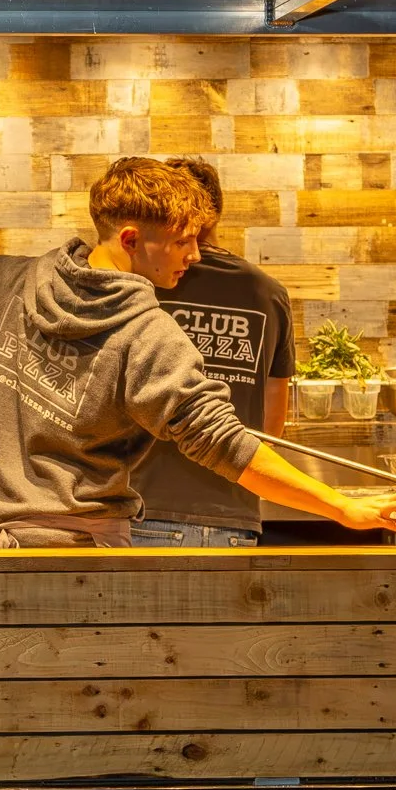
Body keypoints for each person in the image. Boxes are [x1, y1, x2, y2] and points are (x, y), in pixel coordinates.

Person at [0, 157, 396, 549]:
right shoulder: (148, 333)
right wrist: (340, 506)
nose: (195, 256)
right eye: (182, 242)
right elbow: (225, 442)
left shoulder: (8, 284)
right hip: (83, 556)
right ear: (131, 239)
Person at [127, 157, 295, 548]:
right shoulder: (268, 293)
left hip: (143, 508)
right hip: (234, 516)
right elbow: (271, 427)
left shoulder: (142, 282)